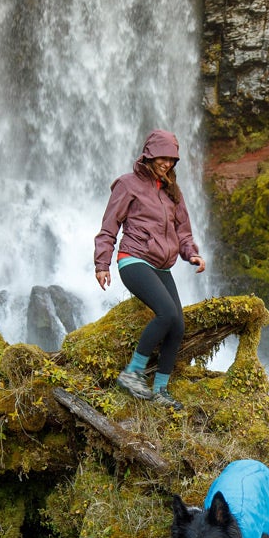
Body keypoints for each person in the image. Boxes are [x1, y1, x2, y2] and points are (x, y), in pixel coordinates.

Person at [94, 129, 205, 410]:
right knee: (166, 313)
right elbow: (109, 226)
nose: (167, 164)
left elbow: (184, 233)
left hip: (162, 266)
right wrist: (102, 263)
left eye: (171, 160)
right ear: (148, 155)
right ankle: (132, 372)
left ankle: (160, 391)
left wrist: (192, 255)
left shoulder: (172, 193)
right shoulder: (128, 184)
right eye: (162, 158)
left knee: (178, 325)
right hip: (134, 259)